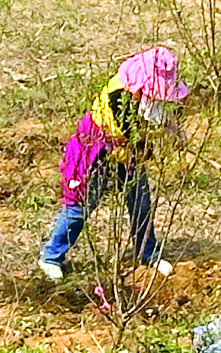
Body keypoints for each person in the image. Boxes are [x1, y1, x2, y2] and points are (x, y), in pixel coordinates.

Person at [37, 46, 186, 282]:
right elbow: (134, 131)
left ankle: (147, 253)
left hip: (128, 153)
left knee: (141, 204)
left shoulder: (147, 97)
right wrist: (159, 134)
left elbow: (158, 118)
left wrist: (175, 131)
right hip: (97, 151)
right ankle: (51, 257)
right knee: (82, 206)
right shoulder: (121, 96)